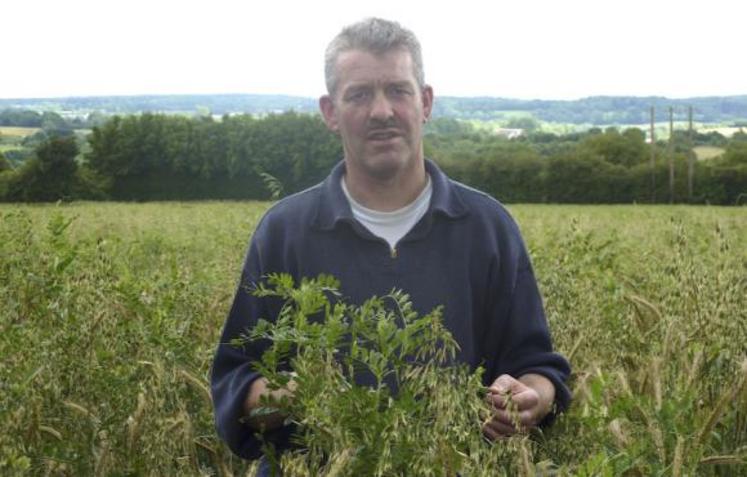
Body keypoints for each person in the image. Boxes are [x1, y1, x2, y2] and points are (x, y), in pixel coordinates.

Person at [211, 16, 571, 470]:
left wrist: (529, 399)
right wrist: (292, 397)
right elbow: (235, 383)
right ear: (330, 111)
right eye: (359, 94)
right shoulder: (284, 232)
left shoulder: (487, 226)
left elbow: (538, 365)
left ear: (424, 103)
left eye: (398, 91)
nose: (381, 111)